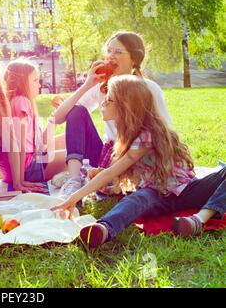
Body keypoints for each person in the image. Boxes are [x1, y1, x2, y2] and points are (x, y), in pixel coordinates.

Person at [51, 75, 225, 248]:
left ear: (125, 106)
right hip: (156, 195)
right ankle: (103, 228)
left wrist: (73, 198)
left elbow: (110, 172)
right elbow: (135, 177)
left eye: (109, 100)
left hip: (188, 191)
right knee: (136, 199)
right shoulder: (126, 135)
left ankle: (199, 219)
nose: (103, 103)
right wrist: (112, 189)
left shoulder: (147, 135)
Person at [52, 31, 172, 200]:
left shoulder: (149, 88)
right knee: (77, 111)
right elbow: (58, 119)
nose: (110, 56)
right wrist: (86, 85)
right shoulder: (101, 87)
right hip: (108, 155)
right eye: (108, 51)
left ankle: (92, 177)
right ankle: (74, 179)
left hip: (137, 157)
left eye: (118, 52)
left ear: (134, 59)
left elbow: (163, 132)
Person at [0, 58, 66, 190]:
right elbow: (18, 144)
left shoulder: (14, 101)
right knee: (73, 157)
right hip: (25, 168)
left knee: (67, 138)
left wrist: (54, 118)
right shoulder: (21, 101)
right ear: (21, 82)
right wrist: (19, 182)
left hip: (15, 168)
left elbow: (38, 144)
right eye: (34, 80)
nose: (39, 85)